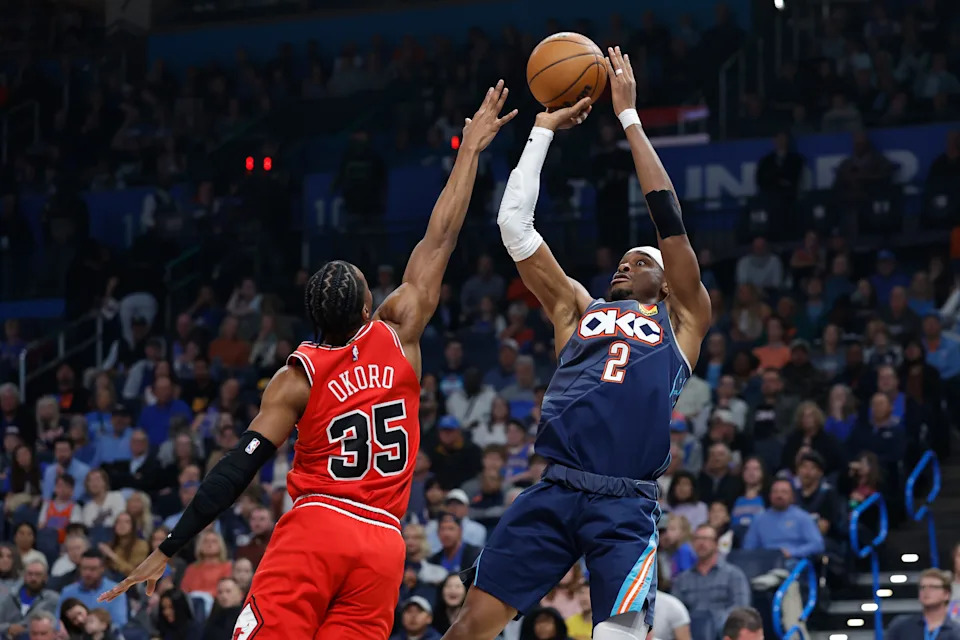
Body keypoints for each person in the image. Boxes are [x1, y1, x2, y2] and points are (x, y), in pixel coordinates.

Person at [100, 82, 518, 640]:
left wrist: (169, 547)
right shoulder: (400, 333)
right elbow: (440, 237)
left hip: (318, 527)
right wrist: (469, 150)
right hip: (383, 545)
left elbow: (237, 467)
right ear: (371, 305)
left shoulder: (297, 376)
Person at [442, 47, 711, 640]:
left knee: (616, 636)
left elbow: (668, 219)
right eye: (619, 259)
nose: (622, 264)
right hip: (557, 484)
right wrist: (541, 130)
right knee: (469, 628)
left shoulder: (682, 321)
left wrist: (630, 119)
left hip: (626, 503)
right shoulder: (579, 308)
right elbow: (515, 226)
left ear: (665, 280)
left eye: (637, 261)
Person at [672, 524, 751, 632]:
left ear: (716, 543)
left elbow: (741, 609)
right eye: (697, 539)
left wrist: (716, 624)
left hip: (724, 633)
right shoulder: (682, 580)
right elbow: (675, 612)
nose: (701, 543)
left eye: (706, 539)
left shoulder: (734, 575)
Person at [58, 550, 127, 626]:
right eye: (84, 568)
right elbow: (58, 623)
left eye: (93, 569)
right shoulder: (68, 592)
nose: (87, 573)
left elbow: (119, 624)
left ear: (102, 568)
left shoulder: (116, 590)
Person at [886, 569, 960, 639]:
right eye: (922, 587)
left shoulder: (956, 632)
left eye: (933, 587)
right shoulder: (901, 626)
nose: (926, 591)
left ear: (946, 594)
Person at [0, 559, 58, 638]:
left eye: (38, 574)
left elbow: (54, 626)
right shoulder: (9, 598)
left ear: (45, 577)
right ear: (24, 576)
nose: (33, 578)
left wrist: (22, 628)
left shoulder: (52, 599)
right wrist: (8, 628)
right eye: (30, 574)